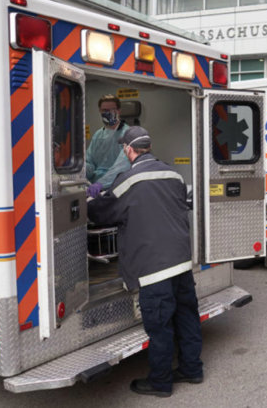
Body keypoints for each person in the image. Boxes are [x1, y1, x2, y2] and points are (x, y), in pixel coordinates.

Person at [87, 126, 203, 397]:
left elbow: (104, 214)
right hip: (181, 262)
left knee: (159, 327)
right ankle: (192, 369)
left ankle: (161, 383)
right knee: (187, 318)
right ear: (148, 147)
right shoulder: (173, 174)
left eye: (123, 148)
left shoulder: (128, 180)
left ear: (128, 149)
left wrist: (91, 198)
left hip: (154, 269)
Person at [85, 94, 130, 197]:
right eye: (104, 110)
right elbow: (90, 162)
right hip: (95, 189)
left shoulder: (127, 134)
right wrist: (81, 175)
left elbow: (122, 167)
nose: (107, 113)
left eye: (112, 110)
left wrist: (101, 184)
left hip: (117, 188)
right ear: (100, 111)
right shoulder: (98, 135)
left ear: (119, 111)